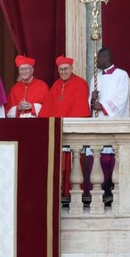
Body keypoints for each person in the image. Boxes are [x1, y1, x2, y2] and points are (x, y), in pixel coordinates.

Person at [40, 55, 90, 203]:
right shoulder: (55, 85)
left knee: (75, 166)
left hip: (73, 130)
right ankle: (59, 195)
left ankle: (75, 196)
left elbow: (81, 109)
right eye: (61, 69)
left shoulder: (80, 84)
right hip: (58, 130)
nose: (63, 72)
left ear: (71, 68)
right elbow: (47, 109)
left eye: (66, 69)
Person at [89, 47, 130, 204]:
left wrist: (103, 107)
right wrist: (91, 100)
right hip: (98, 123)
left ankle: (111, 190)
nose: (96, 62)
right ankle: (99, 191)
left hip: (114, 122)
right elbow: (90, 104)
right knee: (98, 156)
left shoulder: (121, 75)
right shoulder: (95, 78)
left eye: (98, 59)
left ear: (105, 58)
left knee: (112, 157)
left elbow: (121, 99)